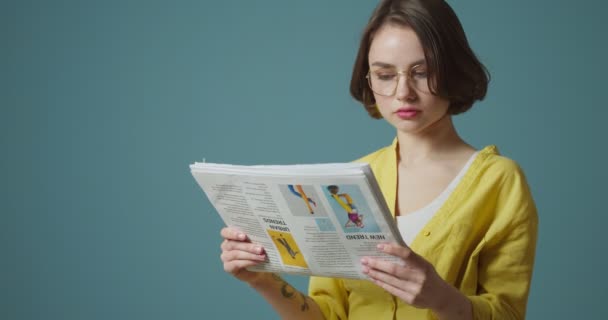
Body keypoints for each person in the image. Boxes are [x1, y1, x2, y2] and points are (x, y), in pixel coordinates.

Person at [219, 0, 538, 319]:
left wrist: (441, 298)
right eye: (385, 74)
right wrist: (262, 280)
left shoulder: (499, 181)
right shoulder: (346, 182)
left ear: (453, 69)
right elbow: (327, 314)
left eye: (422, 72)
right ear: (369, 80)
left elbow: (508, 312)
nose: (403, 92)